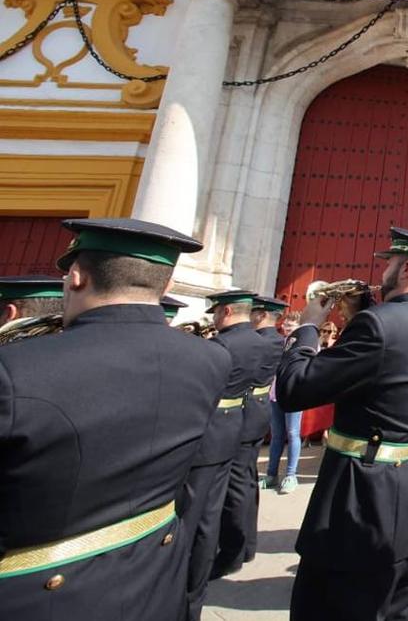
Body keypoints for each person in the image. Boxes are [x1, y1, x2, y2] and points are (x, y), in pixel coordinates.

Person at [0, 217, 230, 621]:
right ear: (168, 286)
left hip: (41, 595)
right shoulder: (210, 359)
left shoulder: (13, 369)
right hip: (155, 578)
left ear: (74, 277)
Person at [275, 227, 408, 621]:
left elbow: (295, 388)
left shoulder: (376, 325)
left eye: (389, 264)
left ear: (406, 267)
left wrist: (308, 327)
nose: (383, 273)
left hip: (359, 503)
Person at [204, 290, 274, 586]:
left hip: (227, 421)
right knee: (244, 482)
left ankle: (231, 549)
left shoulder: (222, 344)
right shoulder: (268, 342)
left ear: (227, 312)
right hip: (254, 416)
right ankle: (246, 544)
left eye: (218, 312)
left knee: (226, 490)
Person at [265, 305, 304, 494]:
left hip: (294, 395)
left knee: (293, 433)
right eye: (286, 325)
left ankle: (291, 475)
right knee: (277, 435)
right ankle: (271, 474)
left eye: (292, 325)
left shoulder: (304, 344)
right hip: (275, 394)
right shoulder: (279, 343)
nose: (288, 328)